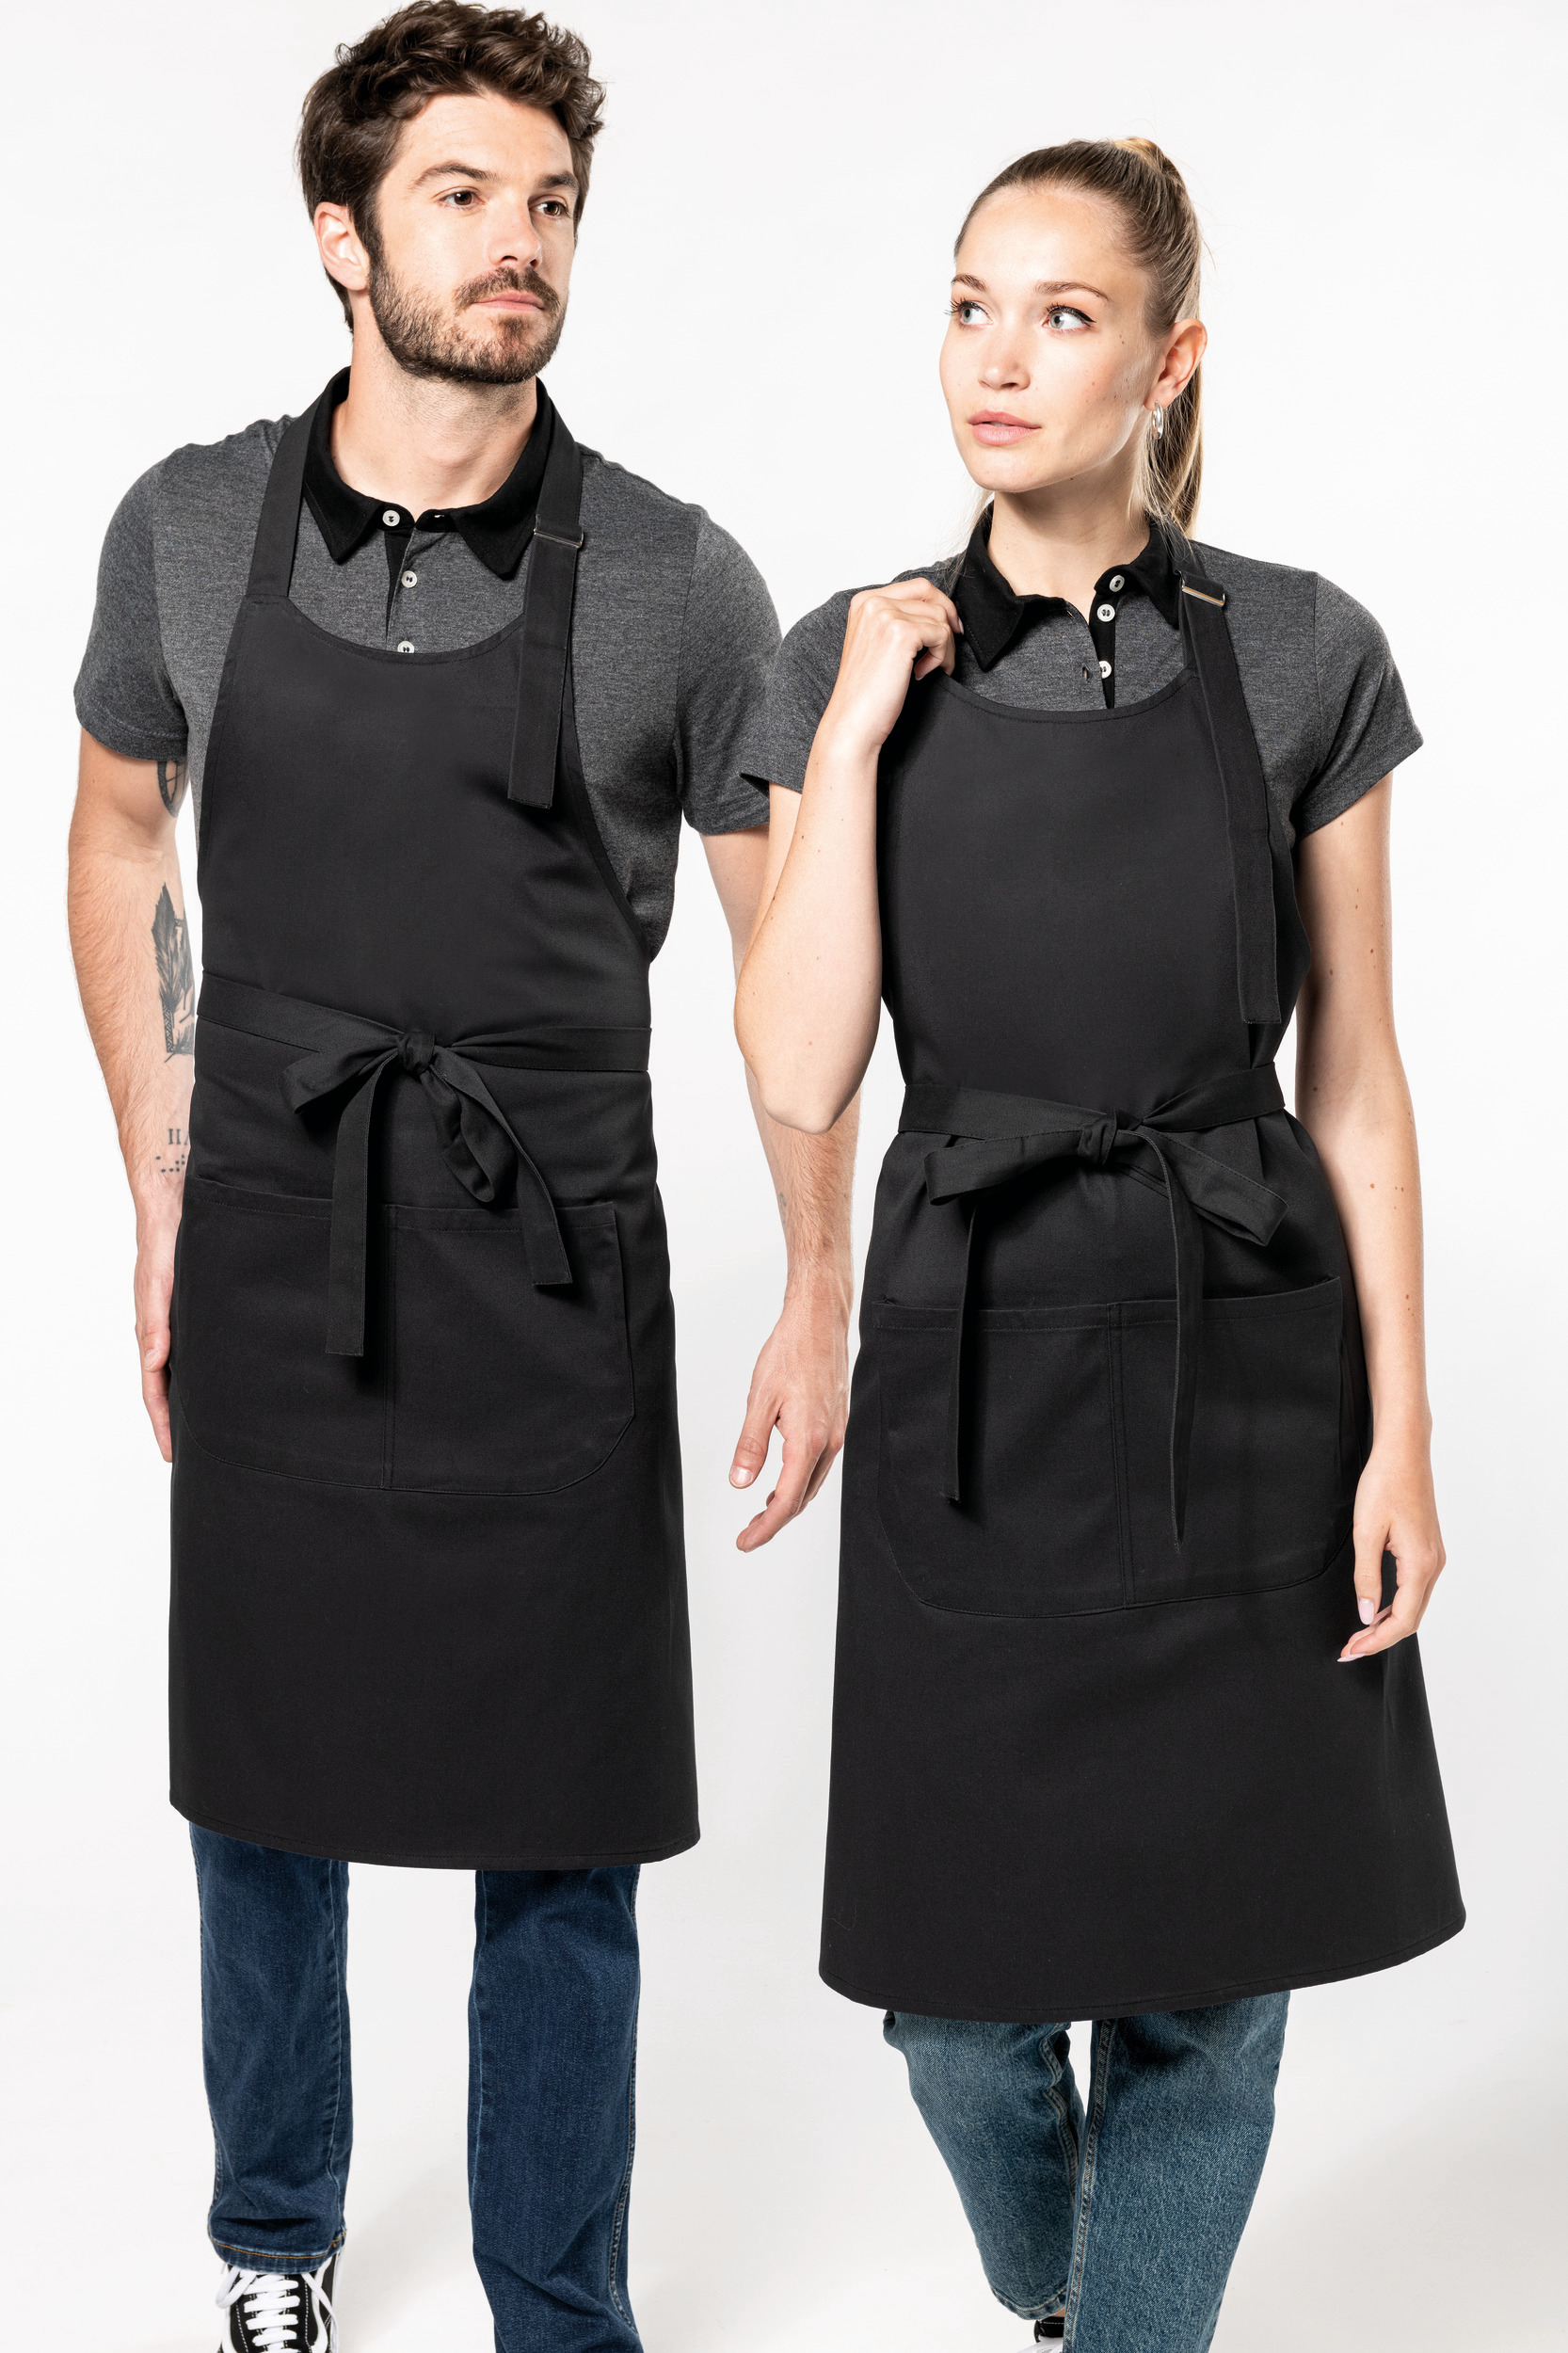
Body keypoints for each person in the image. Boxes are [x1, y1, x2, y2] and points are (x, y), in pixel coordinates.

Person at [66, 7, 855, 2348]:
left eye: (550, 204)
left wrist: (819, 1278)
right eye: (462, 197)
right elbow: (115, 836)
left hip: (554, 1267)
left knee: (566, 1819)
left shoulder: (676, 580)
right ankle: (273, 2237)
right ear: (341, 236)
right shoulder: (187, 528)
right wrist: (159, 1175)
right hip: (279, 1231)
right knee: (259, 1791)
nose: (520, 245)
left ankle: (555, 2305)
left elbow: (789, 978)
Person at [737, 137, 1462, 2350]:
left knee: (1209, 1992)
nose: (996, 357)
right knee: (954, 2003)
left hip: (1241, 1359)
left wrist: (1400, 1430)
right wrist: (854, 726)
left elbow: (1353, 1072)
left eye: (1059, 315)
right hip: (967, 1372)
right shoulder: (838, 656)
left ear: (1167, 362)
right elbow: (798, 1057)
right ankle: (1069, 2282)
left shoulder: (1301, 651)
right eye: (970, 303)